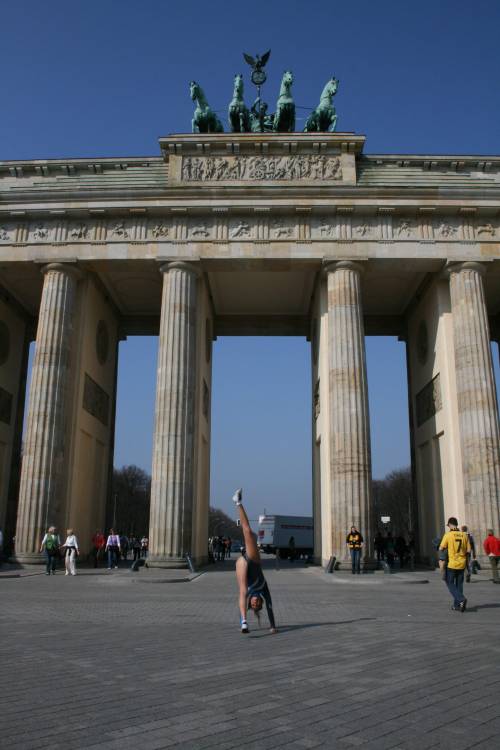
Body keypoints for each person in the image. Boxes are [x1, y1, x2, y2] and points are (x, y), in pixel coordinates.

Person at [233, 489, 277, 634]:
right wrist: (272, 627)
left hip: (243, 564)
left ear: (251, 604)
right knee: (247, 531)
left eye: (253, 604)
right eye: (258, 603)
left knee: (242, 591)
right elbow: (270, 606)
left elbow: (245, 598)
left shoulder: (248, 598)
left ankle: (243, 622)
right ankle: (238, 502)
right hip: (253, 560)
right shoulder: (264, 589)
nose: (256, 601)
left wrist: (245, 606)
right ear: (260, 602)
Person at [439, 517, 470, 611]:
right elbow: (468, 550)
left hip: (452, 564)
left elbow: (441, 548)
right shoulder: (464, 535)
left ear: (450, 525)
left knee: (449, 582)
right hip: (462, 563)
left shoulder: (448, 535)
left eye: (448, 525)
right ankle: (457, 605)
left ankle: (461, 599)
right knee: (459, 585)